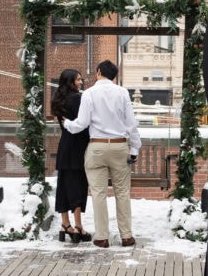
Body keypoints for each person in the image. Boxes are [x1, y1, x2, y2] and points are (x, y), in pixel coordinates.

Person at [63, 60, 142, 248]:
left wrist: (67, 123)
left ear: (98, 72)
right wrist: (134, 148)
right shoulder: (122, 93)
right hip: (119, 147)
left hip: (96, 147)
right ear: (114, 76)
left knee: (98, 194)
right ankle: (126, 236)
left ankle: (102, 237)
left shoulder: (89, 94)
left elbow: (81, 123)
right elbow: (131, 123)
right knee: (122, 193)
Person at [50, 69, 92, 243]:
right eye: (78, 80)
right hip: (78, 146)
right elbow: (84, 124)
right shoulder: (78, 99)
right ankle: (78, 226)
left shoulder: (58, 99)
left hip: (65, 144)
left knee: (64, 185)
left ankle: (65, 224)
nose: (81, 82)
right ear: (70, 82)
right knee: (78, 186)